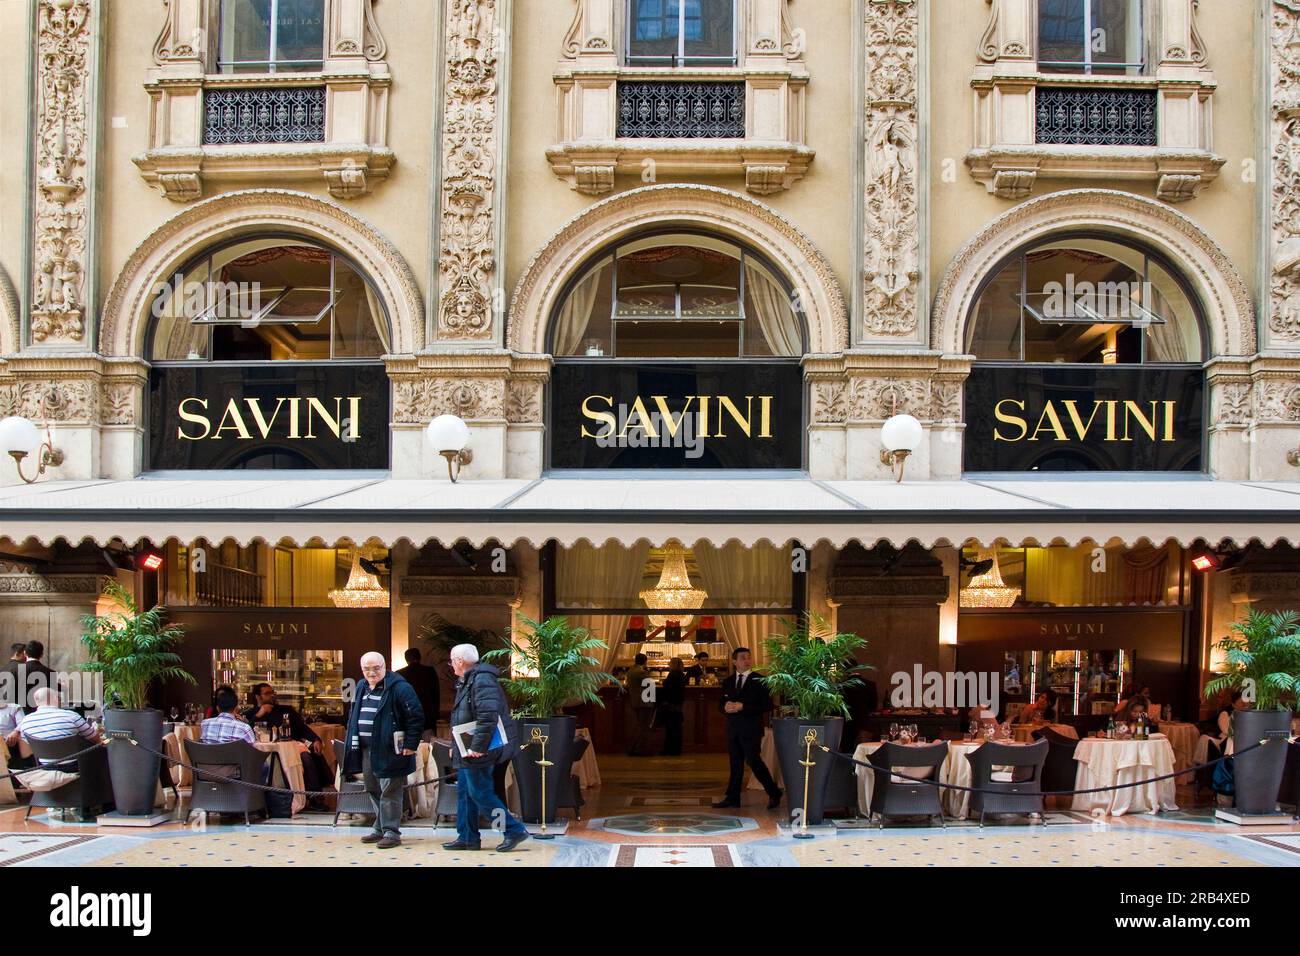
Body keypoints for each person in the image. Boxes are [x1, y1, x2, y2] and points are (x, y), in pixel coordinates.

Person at [443, 643, 529, 853]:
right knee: (465, 792)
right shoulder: (467, 680)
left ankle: (513, 830)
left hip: (479, 749)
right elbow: (461, 717)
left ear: (460, 661)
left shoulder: (481, 680)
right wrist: (456, 746)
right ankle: (467, 837)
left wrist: (478, 746)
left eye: (452, 661)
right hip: (468, 749)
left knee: (481, 793)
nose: (451, 665)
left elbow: (487, 717)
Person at [341, 652, 424, 849]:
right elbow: (354, 712)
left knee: (390, 791)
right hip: (366, 749)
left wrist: (411, 745)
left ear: (385, 667)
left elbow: (416, 716)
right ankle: (380, 827)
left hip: (391, 749)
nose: (371, 673)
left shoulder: (400, 687)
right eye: (366, 669)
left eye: (376, 668)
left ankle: (391, 832)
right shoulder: (360, 686)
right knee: (373, 788)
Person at [712, 647, 783, 810]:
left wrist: (743, 706)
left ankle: (774, 792)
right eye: (743, 658)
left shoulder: (759, 680)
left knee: (754, 761)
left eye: (749, 657)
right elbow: (721, 703)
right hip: (733, 729)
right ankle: (732, 798)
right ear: (734, 661)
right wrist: (725, 707)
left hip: (751, 729)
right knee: (735, 764)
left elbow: (767, 705)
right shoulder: (728, 681)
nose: (747, 660)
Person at [242, 681, 332, 804]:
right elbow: (245, 730)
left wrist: (315, 739)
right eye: (267, 693)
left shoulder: (286, 711)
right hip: (263, 751)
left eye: (272, 692)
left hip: (291, 748)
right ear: (258, 697)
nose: (272, 695)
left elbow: (302, 728)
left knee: (306, 757)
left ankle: (315, 796)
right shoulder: (250, 714)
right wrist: (259, 714)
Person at [19, 687, 101, 759]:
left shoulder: (25, 721)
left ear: (37, 702)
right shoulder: (71, 716)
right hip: (77, 766)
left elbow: (25, 753)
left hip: (46, 768)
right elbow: (96, 739)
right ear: (56, 698)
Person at [397, 647, 441, 737]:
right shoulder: (429, 671)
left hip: (407, 718)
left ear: (406, 659)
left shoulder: (399, 674)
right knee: (428, 747)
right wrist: (436, 715)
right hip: (427, 717)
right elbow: (436, 694)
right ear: (420, 657)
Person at [624, 653, 655, 756]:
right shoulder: (641, 672)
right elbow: (651, 685)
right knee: (643, 726)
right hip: (644, 702)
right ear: (645, 661)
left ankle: (635, 748)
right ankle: (638, 749)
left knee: (640, 726)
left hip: (636, 701)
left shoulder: (631, 671)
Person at [658, 657, 687, 757]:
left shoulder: (672, 675)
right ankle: (676, 749)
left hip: (670, 705)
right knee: (676, 728)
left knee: (670, 729)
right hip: (678, 705)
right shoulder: (682, 675)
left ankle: (669, 749)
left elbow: (667, 689)